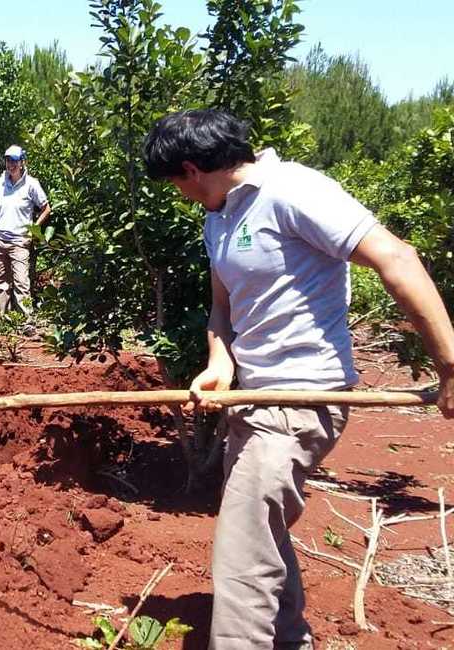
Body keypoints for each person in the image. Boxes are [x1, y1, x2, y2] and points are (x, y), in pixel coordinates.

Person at [144, 108, 454, 649]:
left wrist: (451, 367)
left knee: (241, 554)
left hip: (302, 399)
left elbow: (397, 257)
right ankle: (289, 641)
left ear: (191, 169)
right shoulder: (217, 216)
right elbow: (223, 307)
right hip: (251, 400)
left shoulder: (294, 192)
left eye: (175, 182)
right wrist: (220, 364)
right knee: (260, 534)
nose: (178, 193)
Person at [0, 145, 51, 330]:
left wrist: (34, 229)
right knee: (0, 282)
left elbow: (46, 208)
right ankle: (5, 319)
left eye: (14, 161)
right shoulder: (0, 182)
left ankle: (26, 322)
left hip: (19, 240)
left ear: (22, 162)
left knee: (21, 281)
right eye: (8, 160)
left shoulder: (31, 184)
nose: (11, 164)